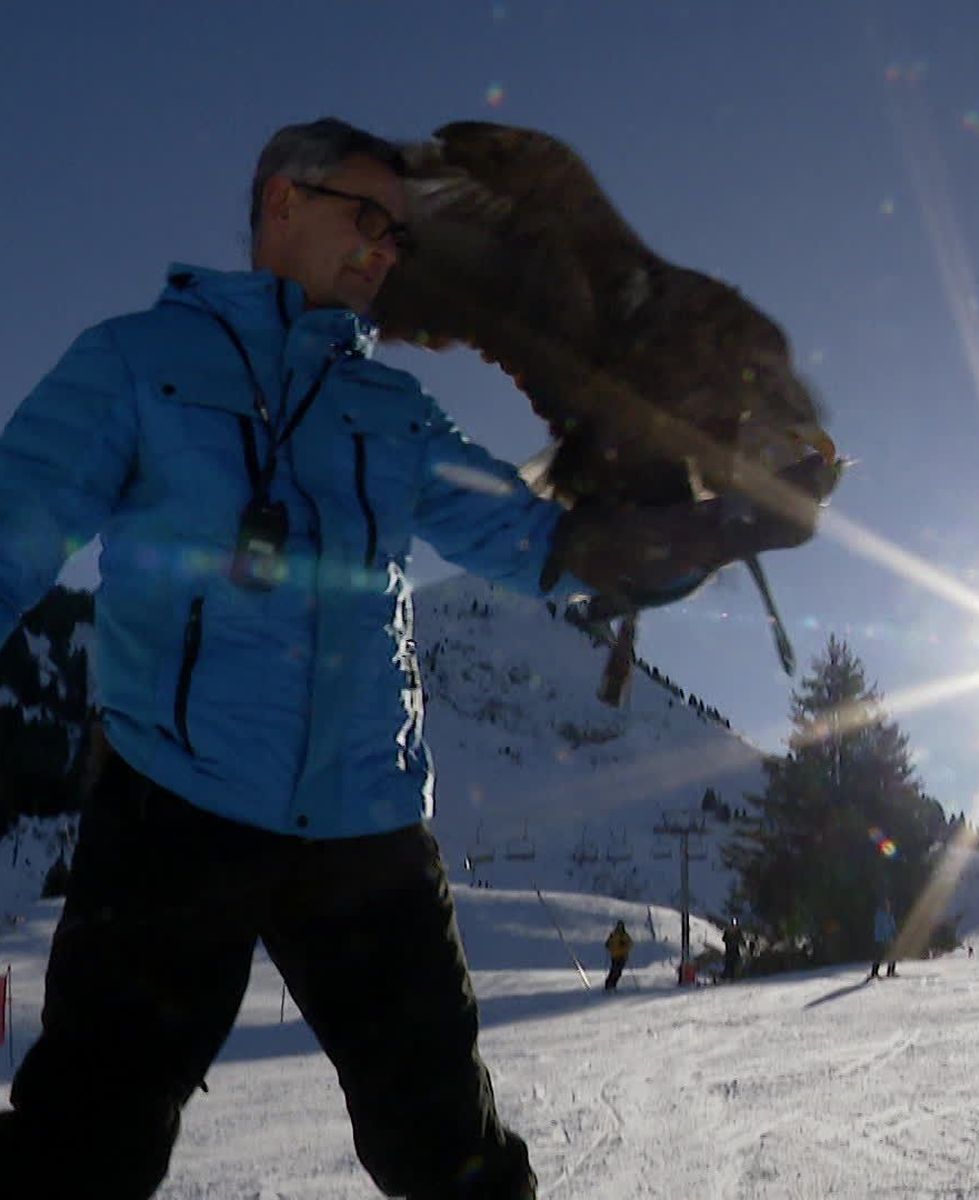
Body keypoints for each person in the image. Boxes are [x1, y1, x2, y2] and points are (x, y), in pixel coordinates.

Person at [0, 117, 812, 1199]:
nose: (387, 249)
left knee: (452, 1155)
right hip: (173, 819)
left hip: (365, 833)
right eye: (366, 218)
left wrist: (698, 529)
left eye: (399, 232)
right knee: (82, 1147)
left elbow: (541, 543)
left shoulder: (392, 407)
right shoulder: (138, 363)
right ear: (282, 201)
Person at [870, 898, 898, 978]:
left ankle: (891, 971)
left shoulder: (890, 915)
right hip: (881, 939)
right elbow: (881, 928)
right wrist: (885, 937)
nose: (888, 906)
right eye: (886, 905)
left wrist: (895, 934)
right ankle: (874, 973)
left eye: (889, 905)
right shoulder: (880, 915)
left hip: (889, 938)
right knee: (879, 956)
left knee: (893, 955)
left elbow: (893, 926)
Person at [604, 919, 633, 991]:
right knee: (614, 970)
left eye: (621, 926)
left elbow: (630, 944)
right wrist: (608, 944)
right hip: (615, 956)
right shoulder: (613, 935)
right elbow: (608, 943)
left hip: (622, 956)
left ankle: (613, 985)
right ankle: (609, 985)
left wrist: (624, 945)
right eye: (619, 926)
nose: (619, 928)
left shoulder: (625, 935)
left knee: (618, 972)